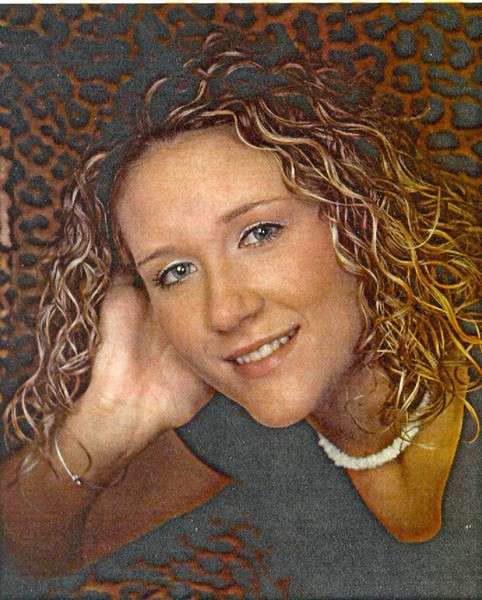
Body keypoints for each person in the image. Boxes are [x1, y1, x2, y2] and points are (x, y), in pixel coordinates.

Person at [1, 31, 479, 579]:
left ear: (357, 218)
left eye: (260, 233)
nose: (225, 312)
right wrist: (108, 418)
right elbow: (23, 559)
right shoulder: (233, 423)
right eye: (175, 272)